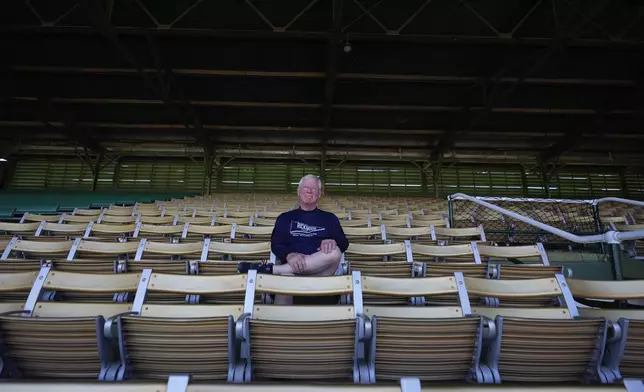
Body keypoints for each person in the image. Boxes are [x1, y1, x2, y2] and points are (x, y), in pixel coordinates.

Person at [237, 174, 349, 304]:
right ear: (298, 191)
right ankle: (280, 322)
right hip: (292, 271)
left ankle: (269, 269)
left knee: (335, 251)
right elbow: (276, 245)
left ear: (320, 194)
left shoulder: (330, 218)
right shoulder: (285, 218)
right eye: (305, 187)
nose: (309, 190)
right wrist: (289, 255)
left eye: (314, 189)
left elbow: (344, 243)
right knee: (286, 278)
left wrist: (333, 241)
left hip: (323, 273)